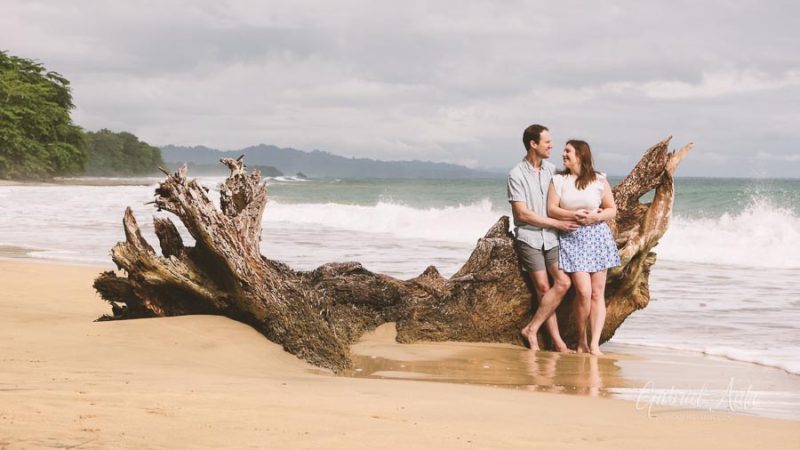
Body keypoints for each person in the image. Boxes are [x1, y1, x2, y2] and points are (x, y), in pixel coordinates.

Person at [507, 124, 580, 352]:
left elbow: (573, 188)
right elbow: (522, 214)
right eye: (547, 142)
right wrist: (557, 223)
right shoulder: (516, 174)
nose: (552, 145)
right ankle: (556, 341)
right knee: (541, 286)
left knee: (564, 282)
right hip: (529, 238)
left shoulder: (552, 171)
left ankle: (532, 328)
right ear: (533, 144)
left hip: (551, 238)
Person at [547, 139, 621, 355]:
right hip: (572, 238)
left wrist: (596, 216)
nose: (563, 154)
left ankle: (595, 344)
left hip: (598, 237)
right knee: (584, 292)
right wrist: (573, 215)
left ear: (580, 155)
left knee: (598, 293)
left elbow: (612, 209)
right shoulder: (559, 179)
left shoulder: (599, 179)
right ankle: (582, 340)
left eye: (568, 151)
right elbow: (552, 209)